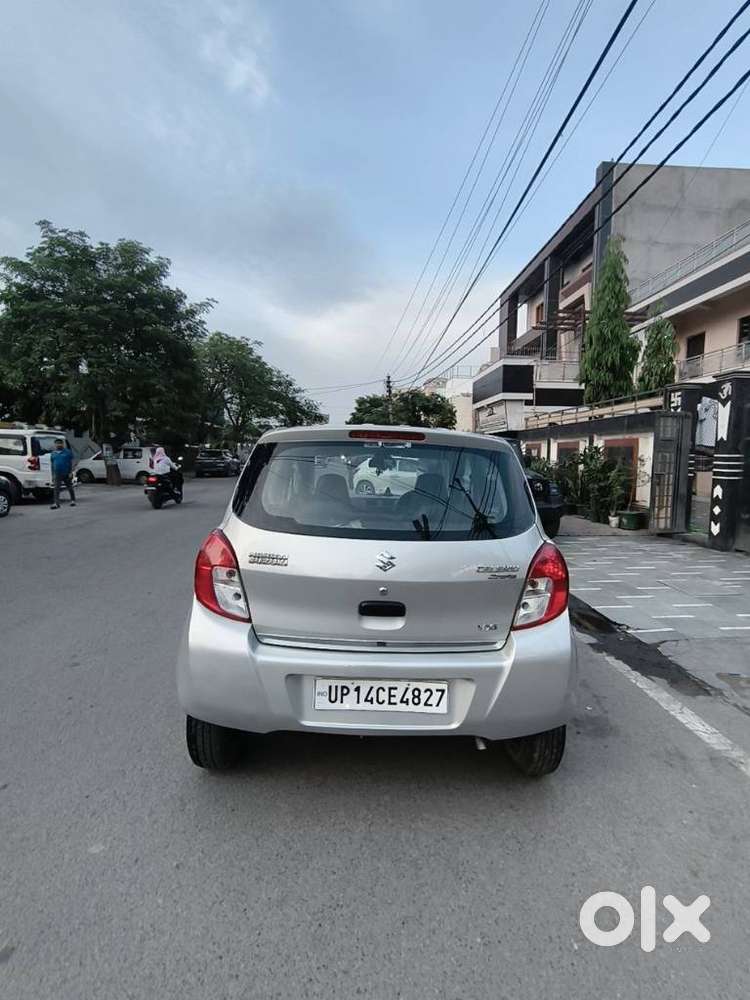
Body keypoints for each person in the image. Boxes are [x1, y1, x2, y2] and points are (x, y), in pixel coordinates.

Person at [50, 439, 76, 509]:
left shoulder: (67, 452)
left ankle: (73, 500)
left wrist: (71, 472)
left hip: (66, 473)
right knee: (56, 489)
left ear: (62, 444)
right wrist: (52, 475)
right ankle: (56, 503)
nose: (58, 445)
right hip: (57, 473)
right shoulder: (53, 453)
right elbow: (52, 464)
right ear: (55, 445)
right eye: (57, 444)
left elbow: (72, 462)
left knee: (69, 487)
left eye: (60, 443)